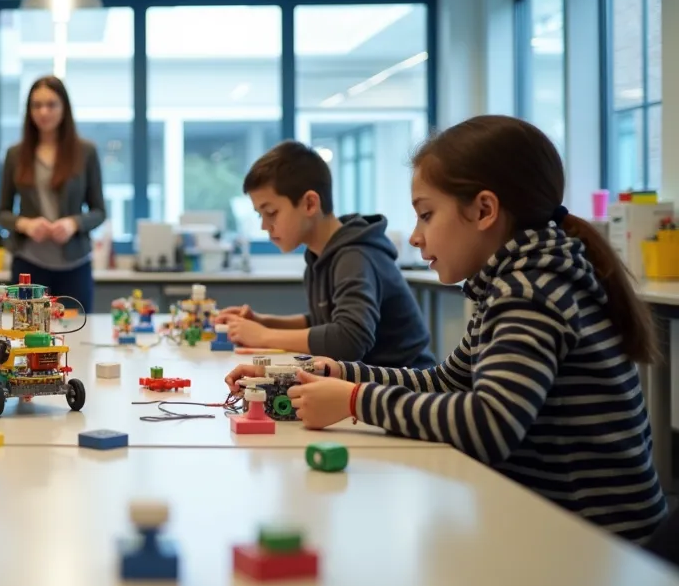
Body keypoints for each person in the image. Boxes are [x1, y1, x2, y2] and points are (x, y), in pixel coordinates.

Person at [225, 115, 667, 543]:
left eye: (426, 215)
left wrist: (356, 400)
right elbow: (446, 380)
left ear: (484, 210)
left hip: (594, 543)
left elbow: (489, 425)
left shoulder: (529, 291)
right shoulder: (508, 282)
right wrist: (341, 375)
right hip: (558, 523)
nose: (415, 237)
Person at [217, 140, 434, 369]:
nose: (264, 225)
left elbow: (349, 340)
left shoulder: (355, 255)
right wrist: (264, 323)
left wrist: (263, 336)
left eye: (271, 212)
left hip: (406, 387)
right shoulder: (320, 255)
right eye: (260, 214)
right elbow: (324, 323)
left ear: (310, 204)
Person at [0, 75, 106, 313]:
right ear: (29, 110)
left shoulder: (85, 152)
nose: (44, 112)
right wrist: (25, 224)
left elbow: (99, 212)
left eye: (51, 104)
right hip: (29, 263)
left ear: (64, 108)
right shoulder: (15, 155)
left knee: (75, 336)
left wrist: (73, 223)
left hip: (75, 264)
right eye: (37, 105)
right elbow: (2, 213)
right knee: (26, 335)